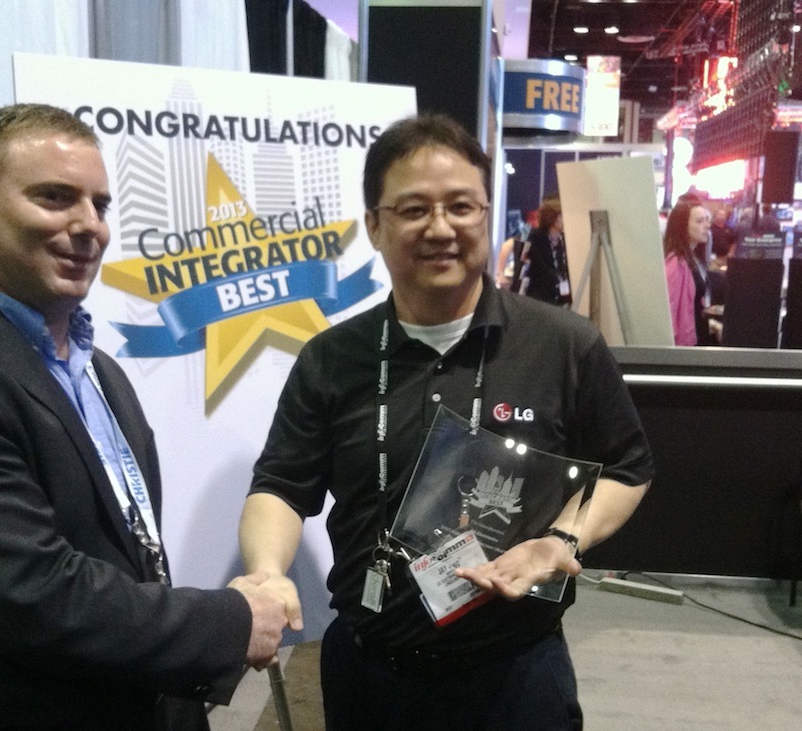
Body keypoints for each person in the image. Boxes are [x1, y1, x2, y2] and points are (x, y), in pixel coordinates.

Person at [0, 103, 288, 731]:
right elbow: (33, 597)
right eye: (56, 197)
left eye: (100, 204)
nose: (90, 226)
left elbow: (134, 560)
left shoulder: (99, 370)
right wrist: (232, 620)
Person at [239, 113, 653, 730]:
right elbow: (280, 485)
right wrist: (267, 572)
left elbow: (627, 467)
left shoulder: (564, 345)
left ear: (487, 215)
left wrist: (563, 539)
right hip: (370, 674)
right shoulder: (332, 360)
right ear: (374, 225)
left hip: (515, 677)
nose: (440, 228)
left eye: (461, 206)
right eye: (414, 210)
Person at [663, 196, 711, 346]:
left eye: (706, 220)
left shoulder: (693, 258)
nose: (707, 225)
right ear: (682, 226)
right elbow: (669, 313)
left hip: (698, 336)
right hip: (686, 344)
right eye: (699, 221)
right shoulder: (675, 264)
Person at [513, 196, 571, 306]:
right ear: (554, 218)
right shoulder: (535, 238)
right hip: (537, 296)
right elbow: (540, 269)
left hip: (558, 295)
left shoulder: (563, 240)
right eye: (562, 216)